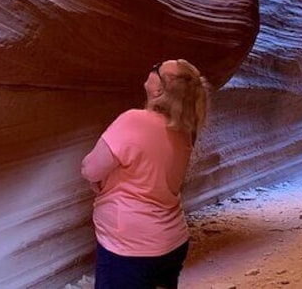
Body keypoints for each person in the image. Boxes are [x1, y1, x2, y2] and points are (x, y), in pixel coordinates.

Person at [81, 59, 211, 289]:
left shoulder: (133, 121)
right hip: (172, 241)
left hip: (130, 246)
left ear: (160, 89)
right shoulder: (183, 130)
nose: (152, 68)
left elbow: (90, 168)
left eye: (157, 68)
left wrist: (100, 182)